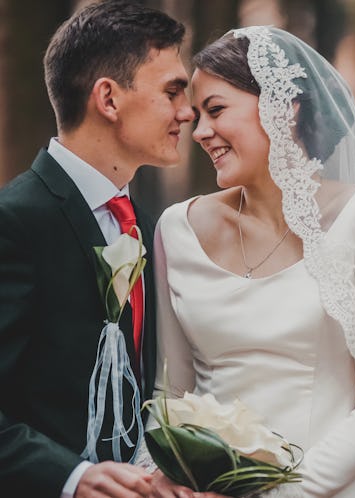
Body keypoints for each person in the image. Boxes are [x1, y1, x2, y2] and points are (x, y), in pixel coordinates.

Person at [153, 26, 355, 498]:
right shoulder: (175, 229)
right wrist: (158, 479)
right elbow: (171, 395)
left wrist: (279, 492)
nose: (199, 132)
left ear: (284, 109)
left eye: (216, 110)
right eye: (196, 116)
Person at [0, 1, 197, 497]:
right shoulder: (15, 222)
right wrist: (71, 477)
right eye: (172, 91)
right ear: (108, 99)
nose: (188, 112)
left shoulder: (150, 228)